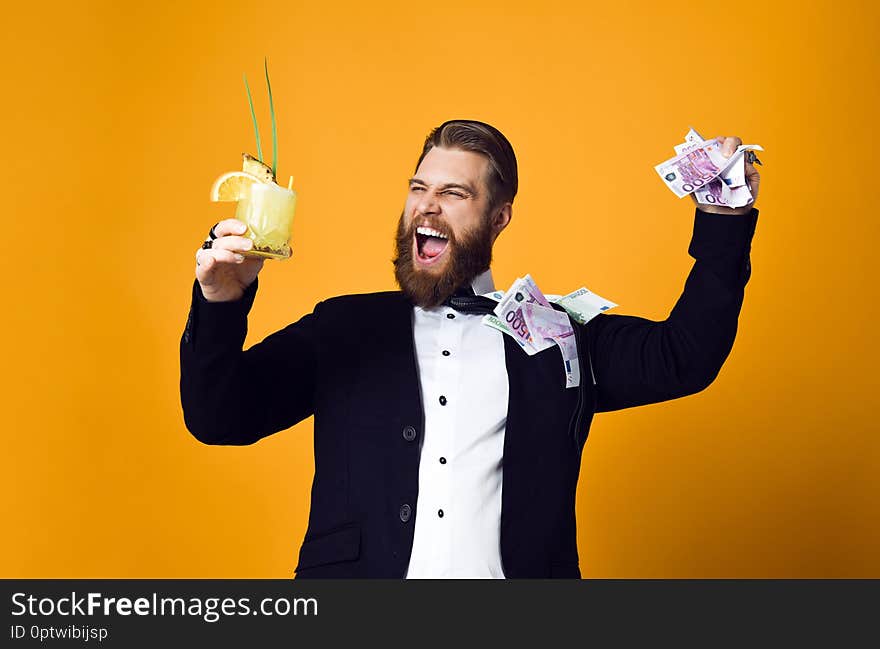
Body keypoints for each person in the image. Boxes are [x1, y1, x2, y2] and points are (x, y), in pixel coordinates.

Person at [180, 120, 761, 578]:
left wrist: (723, 220)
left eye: (453, 193)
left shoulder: (560, 336)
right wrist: (222, 300)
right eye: (418, 188)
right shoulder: (344, 329)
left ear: (499, 216)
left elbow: (684, 356)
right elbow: (220, 416)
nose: (426, 206)